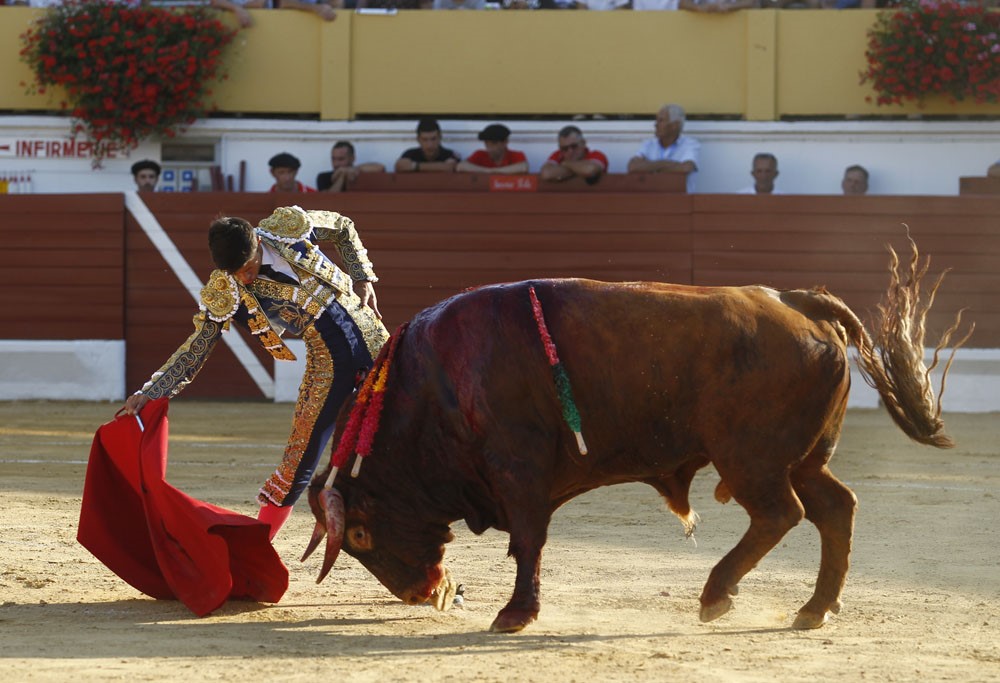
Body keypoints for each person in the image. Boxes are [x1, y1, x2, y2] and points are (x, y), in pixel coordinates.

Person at [124, 206, 389, 540]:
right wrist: (151, 391)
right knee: (298, 458)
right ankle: (259, 546)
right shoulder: (227, 289)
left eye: (248, 268)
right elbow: (197, 347)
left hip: (377, 342)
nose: (246, 279)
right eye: (237, 274)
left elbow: (342, 226)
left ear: (258, 244)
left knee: (408, 430)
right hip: (328, 365)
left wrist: (362, 277)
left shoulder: (289, 228)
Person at [627, 103, 700, 193]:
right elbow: (632, 166)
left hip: (680, 199)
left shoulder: (690, 144)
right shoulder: (649, 144)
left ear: (675, 125)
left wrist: (649, 167)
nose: (655, 124)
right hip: (650, 198)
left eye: (661, 120)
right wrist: (667, 165)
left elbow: (686, 168)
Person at [538, 125, 608, 184]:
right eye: (565, 148)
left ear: (583, 143)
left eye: (574, 146)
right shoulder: (558, 154)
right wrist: (580, 170)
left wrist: (566, 164)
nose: (570, 151)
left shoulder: (597, 155)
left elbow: (589, 170)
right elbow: (546, 174)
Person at [456, 124, 530, 175]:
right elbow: (461, 166)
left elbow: (523, 167)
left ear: (505, 142)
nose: (489, 146)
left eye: (494, 143)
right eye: (486, 143)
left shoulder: (516, 155)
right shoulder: (480, 154)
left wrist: (493, 171)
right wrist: (488, 171)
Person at [394, 118, 461, 173]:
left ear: (440, 138)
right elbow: (400, 166)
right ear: (418, 139)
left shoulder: (450, 154)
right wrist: (440, 166)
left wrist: (415, 166)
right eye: (425, 140)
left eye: (433, 139)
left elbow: (450, 167)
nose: (429, 145)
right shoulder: (410, 154)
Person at [316, 141, 386, 192]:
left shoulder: (357, 173)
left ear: (352, 158)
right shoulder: (323, 177)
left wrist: (351, 169)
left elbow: (380, 168)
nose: (336, 164)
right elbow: (329, 199)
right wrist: (342, 176)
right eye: (333, 159)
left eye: (341, 159)